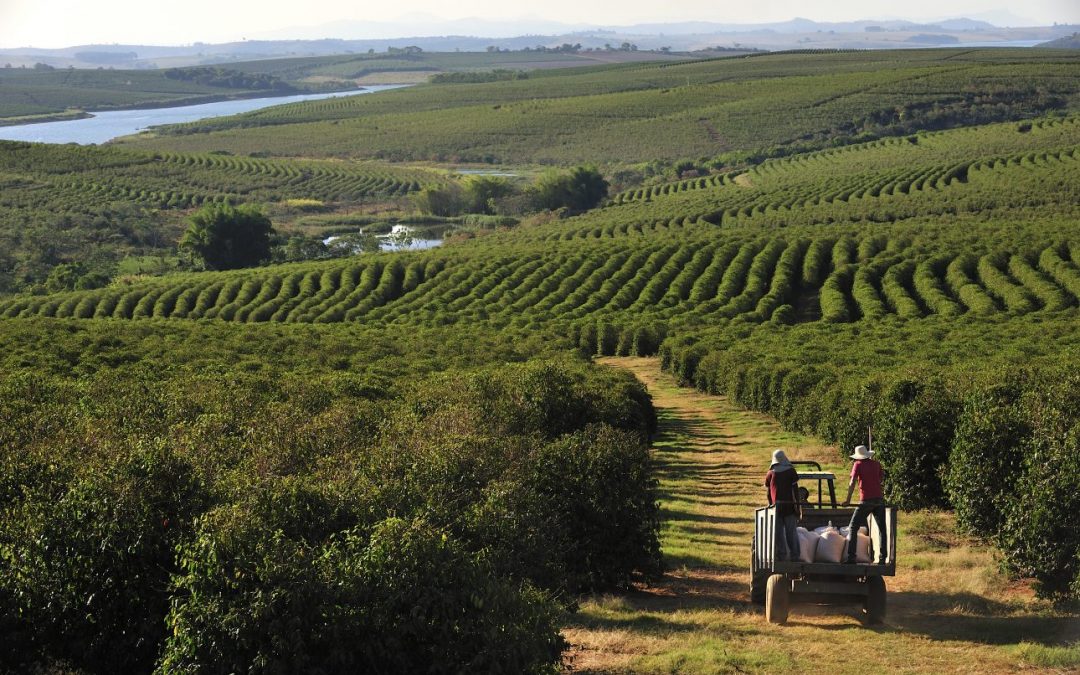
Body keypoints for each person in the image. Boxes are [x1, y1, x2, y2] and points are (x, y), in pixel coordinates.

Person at [842, 444, 887, 564]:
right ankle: (882, 558)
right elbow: (881, 479)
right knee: (882, 529)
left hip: (866, 500)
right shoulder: (876, 464)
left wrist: (848, 500)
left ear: (857, 456)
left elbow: (852, 483)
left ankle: (851, 557)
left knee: (853, 527)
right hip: (879, 499)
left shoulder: (858, 464)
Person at [764, 449, 801, 562]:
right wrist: (797, 507)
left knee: (779, 534)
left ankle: (782, 557)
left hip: (776, 508)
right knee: (791, 533)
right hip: (789, 507)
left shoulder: (770, 473)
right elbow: (795, 491)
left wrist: (771, 506)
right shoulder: (791, 471)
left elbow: (768, 493)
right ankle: (795, 556)